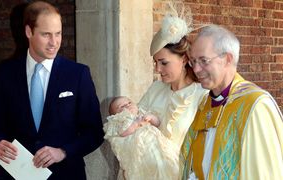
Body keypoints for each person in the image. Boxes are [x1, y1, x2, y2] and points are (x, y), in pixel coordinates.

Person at [0, 1, 104, 179]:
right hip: (15, 175)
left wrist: (63, 152)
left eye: (58, 34)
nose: (54, 42)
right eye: (46, 34)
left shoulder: (78, 74)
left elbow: (94, 132)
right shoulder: (3, 74)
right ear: (29, 32)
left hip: (66, 174)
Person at [117, 1, 208, 179]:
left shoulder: (202, 96)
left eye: (164, 63)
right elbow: (132, 128)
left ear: (183, 59)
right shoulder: (155, 89)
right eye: (155, 63)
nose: (158, 69)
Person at [180, 24, 283, 180]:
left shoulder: (255, 105)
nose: (196, 69)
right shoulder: (205, 103)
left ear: (227, 59)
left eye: (203, 61)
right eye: (193, 61)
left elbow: (263, 173)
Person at [104, 96, 179, 179]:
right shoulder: (120, 120)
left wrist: (151, 118)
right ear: (116, 114)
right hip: (141, 149)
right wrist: (136, 124)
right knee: (147, 169)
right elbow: (123, 133)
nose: (128, 105)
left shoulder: (142, 112)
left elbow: (158, 124)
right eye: (122, 106)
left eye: (129, 102)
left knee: (165, 163)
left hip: (156, 145)